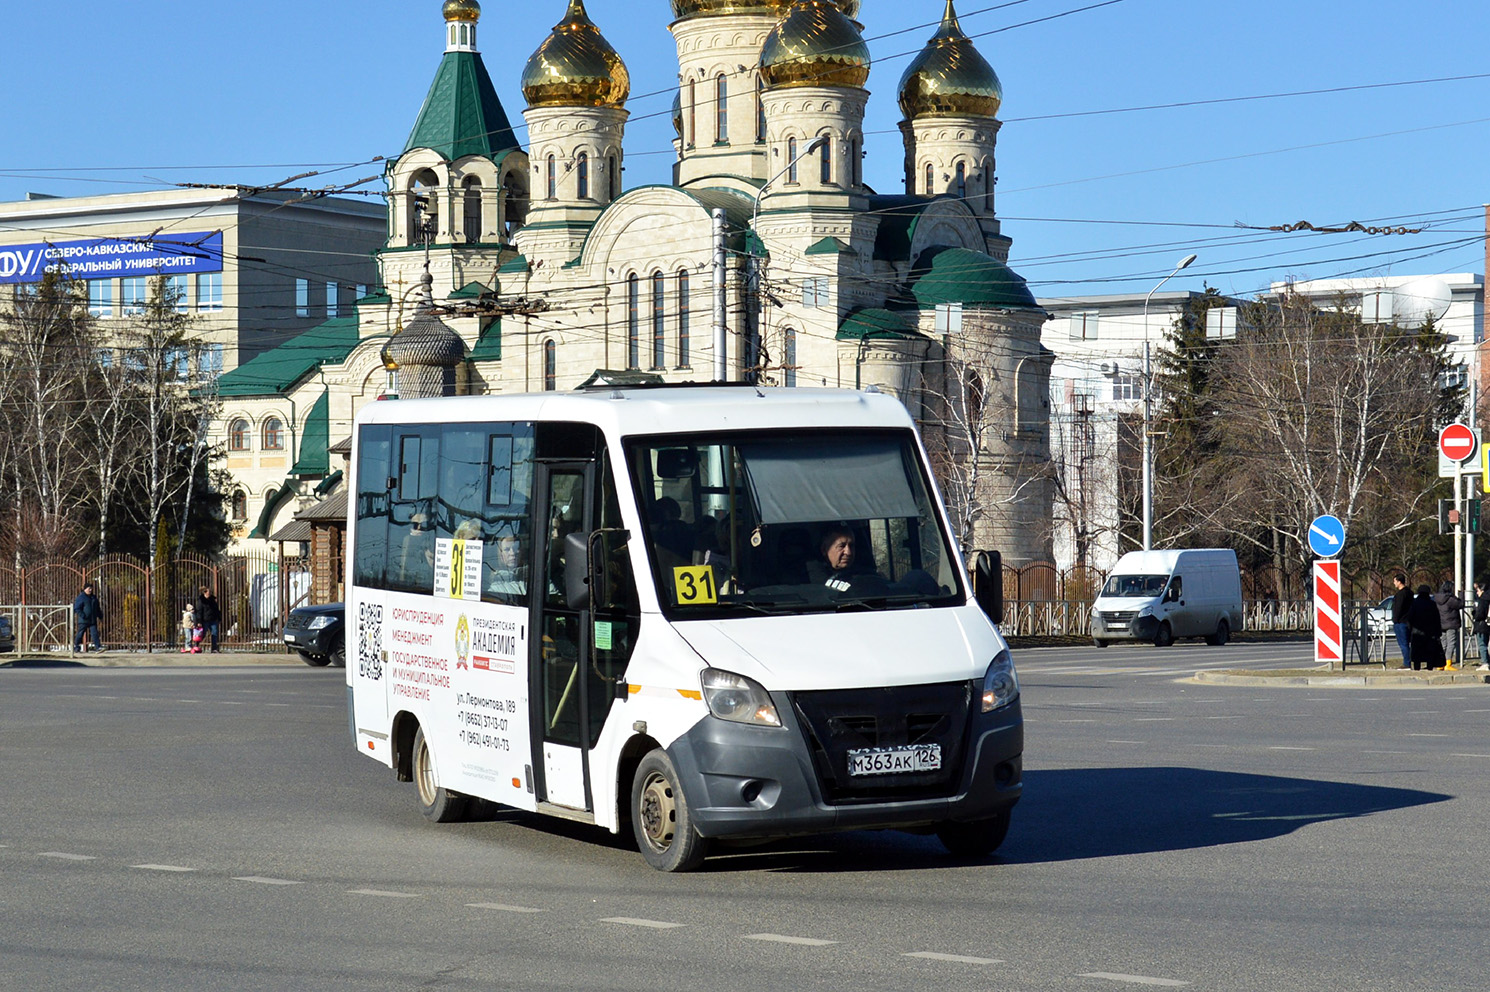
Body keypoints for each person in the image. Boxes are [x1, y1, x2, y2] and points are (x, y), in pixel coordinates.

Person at [1407, 584, 1444, 671]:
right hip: (1430, 633)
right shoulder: (1432, 604)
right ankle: (1429, 667)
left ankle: (1417, 668)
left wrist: (1410, 629)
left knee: (1417, 653)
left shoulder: (1414, 603)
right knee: (1429, 652)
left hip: (1417, 632)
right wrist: (1438, 631)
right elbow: (1437, 618)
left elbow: (1410, 618)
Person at [1434, 580, 1464, 670]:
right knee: (1451, 643)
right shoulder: (1450, 599)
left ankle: (1440, 664)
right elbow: (1461, 604)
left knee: (1443, 643)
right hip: (1451, 623)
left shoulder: (1437, 599)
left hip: (1441, 624)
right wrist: (1461, 594)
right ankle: (1448, 663)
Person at [1390, 573, 1413, 670]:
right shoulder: (1410, 593)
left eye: (1395, 581)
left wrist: (1395, 619)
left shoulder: (1400, 594)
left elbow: (1398, 608)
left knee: (1403, 643)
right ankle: (1409, 661)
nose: (1394, 583)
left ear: (1399, 582)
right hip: (1408, 621)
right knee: (1407, 643)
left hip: (1400, 622)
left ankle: (1407, 663)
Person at [73, 581, 102, 653]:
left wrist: (100, 615)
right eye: (89, 588)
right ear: (85, 589)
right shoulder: (81, 597)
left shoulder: (94, 598)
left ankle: (98, 647)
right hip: (83, 620)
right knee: (80, 633)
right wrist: (83, 615)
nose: (90, 590)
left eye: (91, 588)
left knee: (94, 633)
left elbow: (97, 608)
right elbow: (77, 608)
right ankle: (76, 646)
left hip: (92, 619)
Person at [194, 585, 222, 653]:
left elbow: (216, 610)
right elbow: (199, 611)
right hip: (205, 620)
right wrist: (199, 621)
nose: (209, 593)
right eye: (208, 592)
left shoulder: (212, 600)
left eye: (210, 592)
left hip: (213, 619)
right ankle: (196, 646)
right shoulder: (201, 601)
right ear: (205, 592)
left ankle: (214, 648)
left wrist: (219, 618)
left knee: (214, 634)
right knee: (202, 634)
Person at [1473, 577, 1490, 673]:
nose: (1477, 593)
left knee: (1482, 643)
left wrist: (1474, 614)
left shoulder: (1483, 599)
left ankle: (1485, 663)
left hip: (1482, 623)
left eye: (1478, 590)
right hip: (1488, 623)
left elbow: (1480, 613)